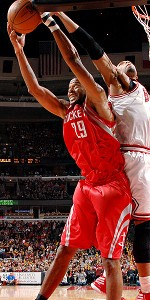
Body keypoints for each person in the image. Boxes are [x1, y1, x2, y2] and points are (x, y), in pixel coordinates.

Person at [7, 13, 132, 300]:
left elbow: (76, 62)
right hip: (87, 185)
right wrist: (18, 49)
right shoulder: (66, 111)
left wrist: (52, 24)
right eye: (69, 85)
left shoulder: (99, 101)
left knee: (110, 260)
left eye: (76, 83)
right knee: (65, 247)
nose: (71, 85)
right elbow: (34, 89)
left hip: (112, 186)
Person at [53, 11, 150, 300]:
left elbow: (95, 53)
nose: (119, 66)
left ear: (130, 76)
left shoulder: (127, 88)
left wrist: (62, 19)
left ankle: (140, 287)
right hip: (144, 159)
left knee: (137, 226)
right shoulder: (148, 101)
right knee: (128, 223)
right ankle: (112, 278)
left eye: (125, 66)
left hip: (127, 159)